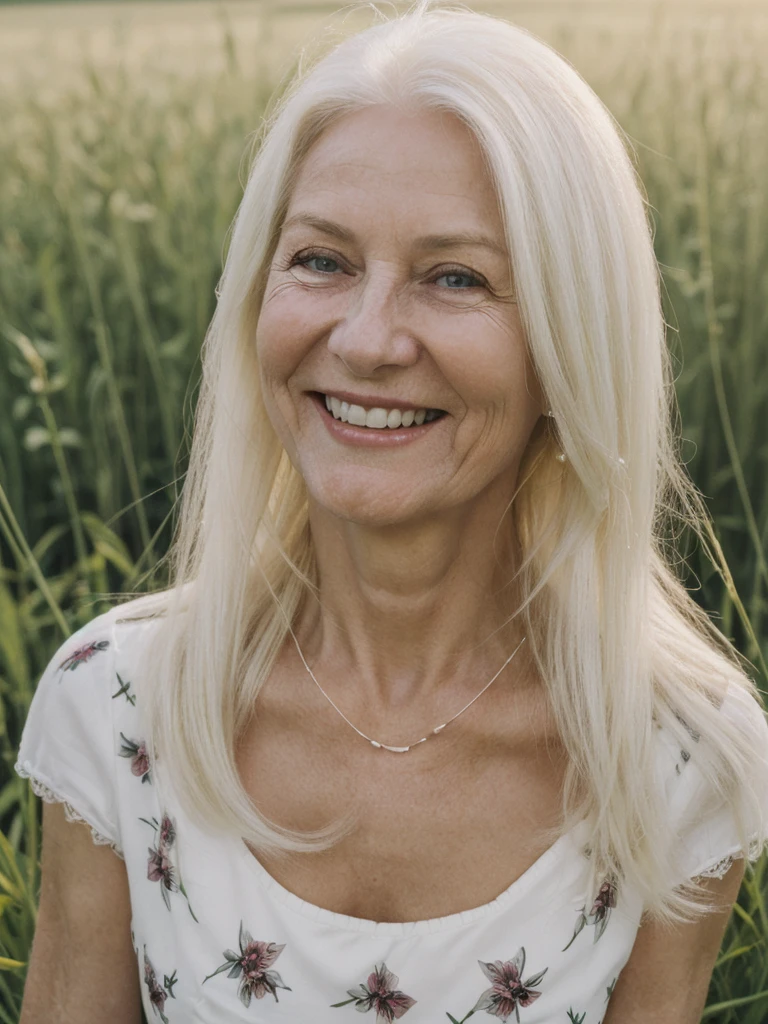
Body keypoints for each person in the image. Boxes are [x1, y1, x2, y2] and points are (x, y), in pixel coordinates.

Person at [15, 1, 768, 1021]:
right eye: (321, 260)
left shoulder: (678, 757)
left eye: (454, 276)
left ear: (569, 342)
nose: (367, 339)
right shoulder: (115, 708)